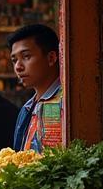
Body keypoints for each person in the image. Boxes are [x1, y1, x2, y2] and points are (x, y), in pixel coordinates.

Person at [9, 23, 63, 151]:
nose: (18, 66)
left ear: (51, 58)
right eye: (14, 60)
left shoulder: (66, 102)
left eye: (26, 56)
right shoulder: (27, 108)